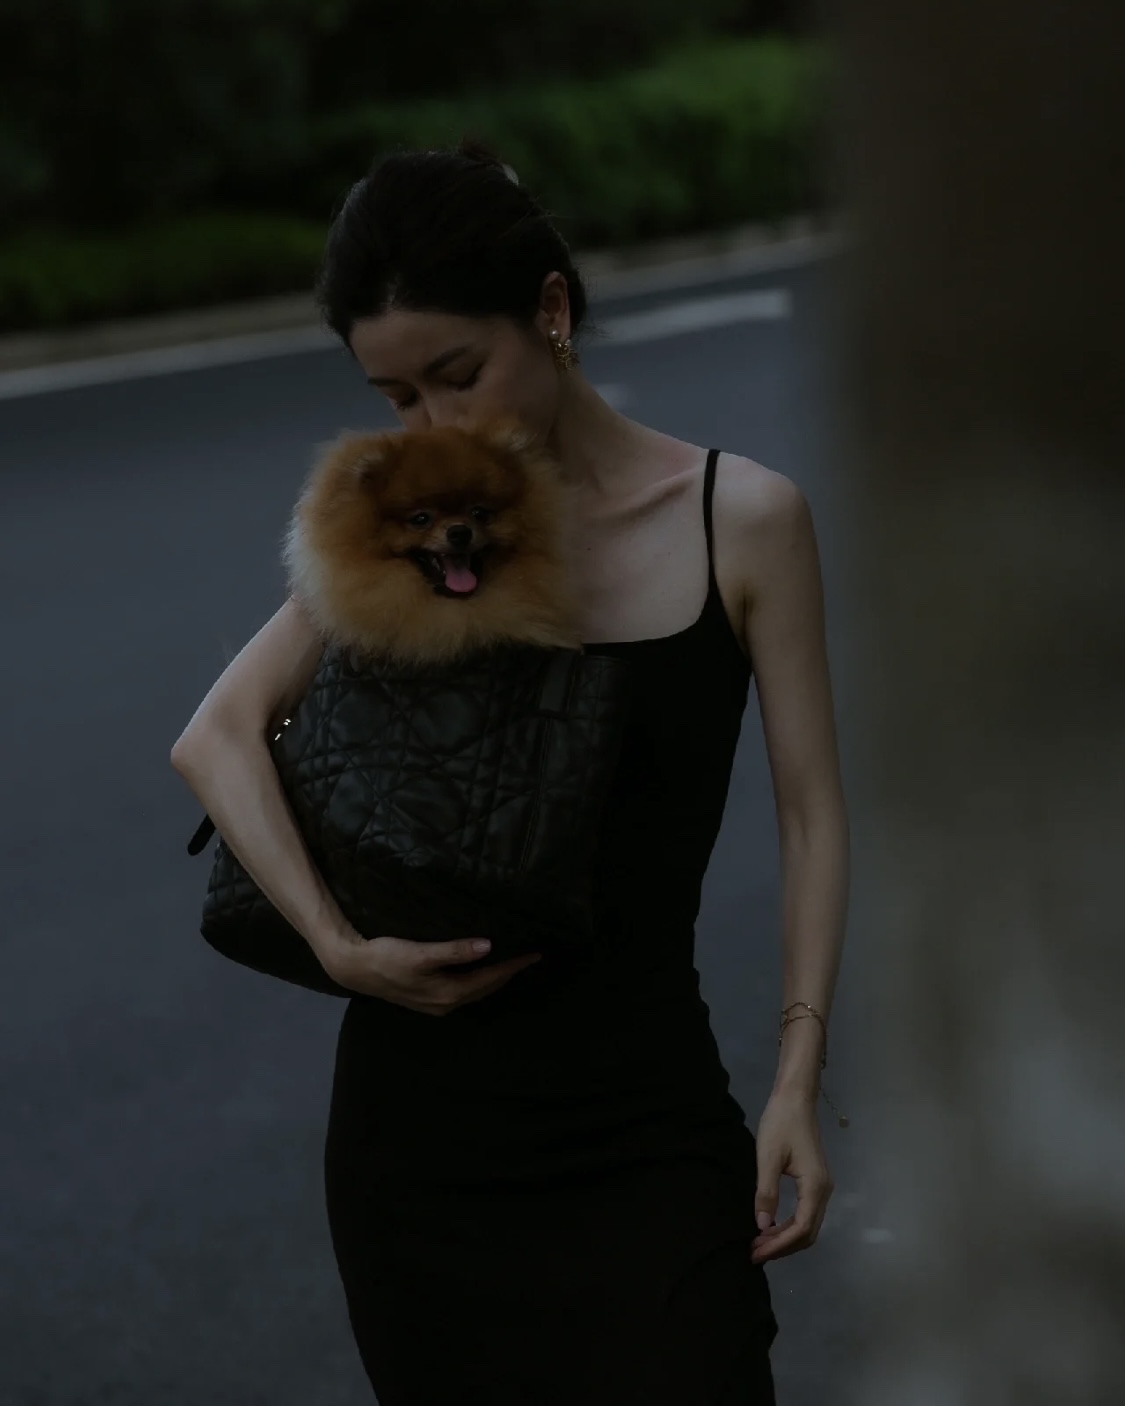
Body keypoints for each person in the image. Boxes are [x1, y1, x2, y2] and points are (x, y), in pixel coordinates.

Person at [170, 139, 849, 1405]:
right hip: (419, 1152)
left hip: (648, 1125)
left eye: (456, 375)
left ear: (550, 309)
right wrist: (337, 946)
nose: (435, 427)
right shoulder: (417, 538)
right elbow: (216, 733)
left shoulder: (742, 519)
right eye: (396, 397)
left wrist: (799, 1079)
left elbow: (811, 815)